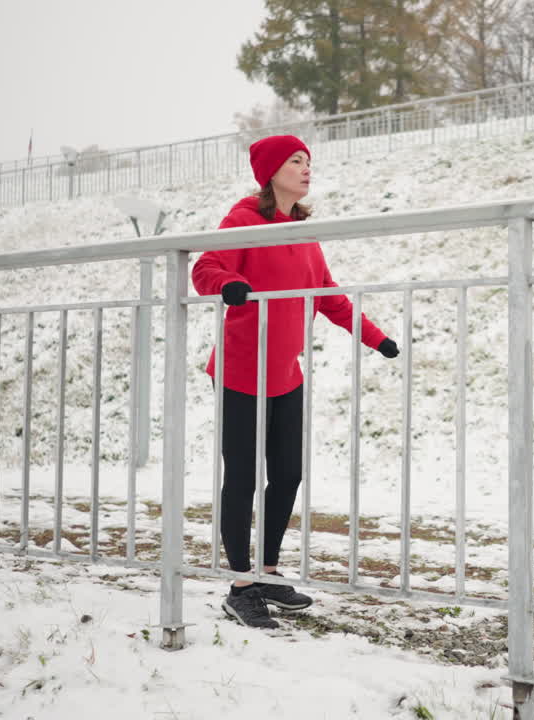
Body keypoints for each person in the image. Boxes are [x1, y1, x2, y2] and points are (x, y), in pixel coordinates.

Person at [191, 135, 400, 629]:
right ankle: (240, 586)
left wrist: (376, 338)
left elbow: (329, 296)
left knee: (287, 474)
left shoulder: (305, 232)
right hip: (241, 373)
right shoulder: (243, 221)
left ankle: (265, 572)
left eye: (308, 161)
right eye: (295, 160)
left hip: (286, 375)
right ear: (270, 171)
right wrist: (229, 284)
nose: (306, 168)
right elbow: (205, 267)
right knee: (242, 478)